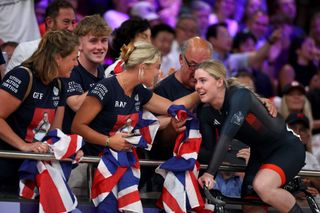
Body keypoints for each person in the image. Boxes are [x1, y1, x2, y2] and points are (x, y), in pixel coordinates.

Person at [71, 41, 197, 211]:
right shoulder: (105, 87)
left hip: (123, 166)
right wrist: (108, 141)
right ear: (143, 67)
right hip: (93, 168)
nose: (159, 72)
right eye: (156, 67)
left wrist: (200, 93)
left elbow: (171, 107)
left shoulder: (139, 91)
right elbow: (77, 126)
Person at [196, 59, 305, 213]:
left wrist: (210, 173)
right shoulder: (205, 111)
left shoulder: (240, 96)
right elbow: (210, 151)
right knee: (250, 206)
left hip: (286, 148)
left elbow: (227, 135)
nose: (197, 86)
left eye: (203, 80)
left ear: (219, 82)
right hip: (259, 153)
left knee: (262, 186)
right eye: (196, 81)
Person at [0, 30, 79, 192]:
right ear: (58, 58)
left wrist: (69, 148)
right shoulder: (22, 76)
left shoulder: (60, 84)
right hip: (6, 166)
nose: (76, 64)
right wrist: (23, 145)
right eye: (74, 58)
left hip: (32, 170)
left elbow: (54, 134)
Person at [62, 14, 112, 134]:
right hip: (70, 145)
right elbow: (76, 105)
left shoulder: (100, 69)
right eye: (93, 41)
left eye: (104, 41)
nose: (100, 47)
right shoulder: (71, 69)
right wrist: (109, 82)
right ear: (79, 44)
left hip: (92, 143)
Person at [6, 0, 76, 74]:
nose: (71, 28)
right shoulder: (25, 50)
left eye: (73, 22)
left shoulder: (76, 53)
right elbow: (10, 83)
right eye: (66, 22)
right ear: (49, 22)